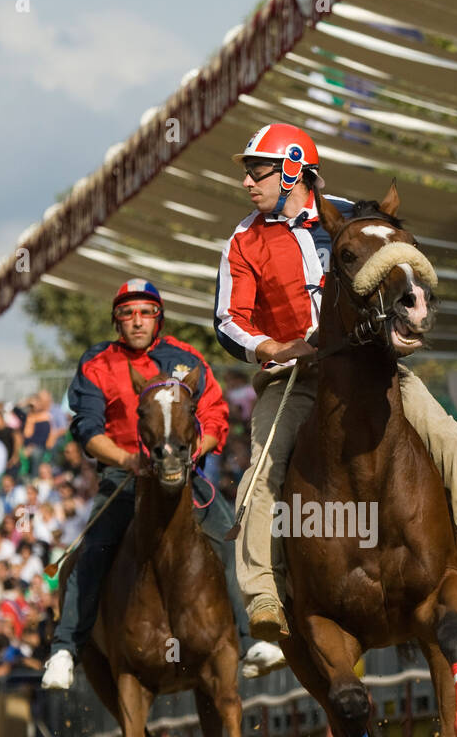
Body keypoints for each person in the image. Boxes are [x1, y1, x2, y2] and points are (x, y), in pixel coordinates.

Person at [213, 121, 457, 641]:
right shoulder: (244, 240)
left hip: (373, 367)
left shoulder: (357, 221)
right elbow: (228, 320)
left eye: (259, 171)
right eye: (249, 174)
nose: (249, 183)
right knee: (261, 474)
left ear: (294, 168)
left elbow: (400, 272)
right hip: (296, 379)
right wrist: (272, 347)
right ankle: (264, 592)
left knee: (450, 435)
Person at [41, 279, 285, 690]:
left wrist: (194, 452)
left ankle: (251, 641)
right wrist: (127, 460)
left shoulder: (186, 359)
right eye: (127, 314)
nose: (136, 321)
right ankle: (64, 651)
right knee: (92, 552)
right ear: (117, 321)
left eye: (145, 312)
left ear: (159, 317)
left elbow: (214, 418)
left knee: (231, 539)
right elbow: (86, 428)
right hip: (125, 475)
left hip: (184, 475)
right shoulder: (97, 362)